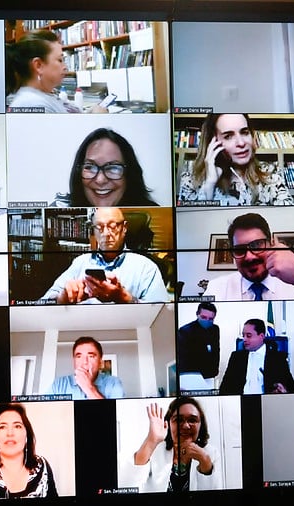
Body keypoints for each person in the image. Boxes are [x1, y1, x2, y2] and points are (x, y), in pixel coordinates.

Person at [40, 207, 169, 304]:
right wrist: (62, 298)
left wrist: (125, 298)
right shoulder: (80, 262)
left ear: (124, 228)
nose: (106, 233)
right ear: (94, 231)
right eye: (99, 227)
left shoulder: (146, 268)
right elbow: (41, 303)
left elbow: (163, 314)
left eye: (113, 226)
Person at [203, 212, 294, 301]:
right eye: (240, 250)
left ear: (271, 244)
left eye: (257, 245)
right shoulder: (216, 288)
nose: (249, 257)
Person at [177, 113, 294, 206]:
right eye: (228, 136)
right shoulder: (190, 179)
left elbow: (288, 219)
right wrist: (209, 185)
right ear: (212, 142)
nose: (241, 143)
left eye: (244, 132)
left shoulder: (270, 173)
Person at [129, 397, 220, 492]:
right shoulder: (156, 449)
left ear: (201, 425)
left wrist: (204, 461)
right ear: (168, 423)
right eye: (178, 420)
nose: (185, 426)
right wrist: (151, 440)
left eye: (192, 420)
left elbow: (214, 499)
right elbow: (131, 482)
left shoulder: (211, 453)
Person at [5, 29, 108, 114]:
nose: (65, 67)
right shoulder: (31, 105)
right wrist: (97, 119)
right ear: (38, 65)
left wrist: (90, 113)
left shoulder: (45, 95)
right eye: (60, 60)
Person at [50, 128, 158, 207]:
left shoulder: (153, 214)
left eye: (113, 168)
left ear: (129, 174)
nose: (100, 180)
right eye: (90, 167)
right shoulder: (59, 209)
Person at [219, 319, 294, 395]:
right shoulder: (236, 357)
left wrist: (283, 391)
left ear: (261, 336)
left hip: (267, 404)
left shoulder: (277, 359)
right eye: (243, 335)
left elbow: (292, 389)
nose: (244, 339)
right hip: (241, 403)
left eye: (249, 336)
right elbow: (224, 389)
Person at [47, 336, 124, 399]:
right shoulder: (59, 384)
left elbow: (114, 415)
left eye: (91, 356)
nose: (85, 362)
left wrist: (89, 387)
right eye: (79, 356)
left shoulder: (114, 383)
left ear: (100, 362)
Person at [177, 303, 220, 390]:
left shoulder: (215, 329)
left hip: (210, 375)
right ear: (197, 314)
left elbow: (216, 351)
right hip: (193, 377)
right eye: (204, 317)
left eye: (211, 319)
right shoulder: (185, 331)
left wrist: (215, 371)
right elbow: (184, 357)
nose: (207, 321)